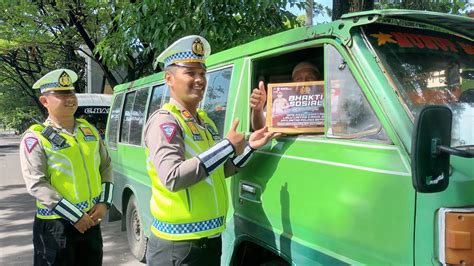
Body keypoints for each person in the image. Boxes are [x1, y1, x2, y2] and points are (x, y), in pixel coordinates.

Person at [145, 35, 279, 266]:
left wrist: (250, 147)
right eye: (190, 73)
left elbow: (219, 169)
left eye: (203, 73)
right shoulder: (164, 122)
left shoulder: (204, 122)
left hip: (208, 240)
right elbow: (172, 177)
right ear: (169, 78)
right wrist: (226, 145)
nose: (199, 80)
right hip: (178, 247)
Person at [19, 69, 113, 266]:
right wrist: (75, 216)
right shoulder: (36, 138)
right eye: (61, 94)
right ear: (45, 101)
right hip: (56, 226)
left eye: (71, 93)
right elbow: (36, 183)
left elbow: (105, 166)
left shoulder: (89, 131)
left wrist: (104, 204)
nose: (69, 99)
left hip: (90, 222)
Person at [251, 61, 320, 130]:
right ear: (293, 83)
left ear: (318, 81)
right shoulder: (281, 100)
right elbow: (260, 128)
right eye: (299, 79)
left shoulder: (326, 100)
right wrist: (258, 110)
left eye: (310, 77)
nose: (304, 82)